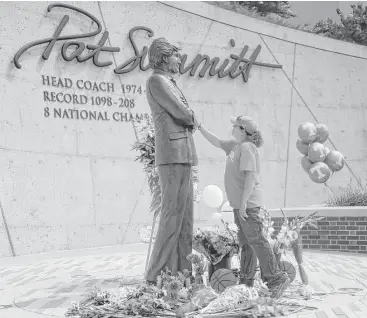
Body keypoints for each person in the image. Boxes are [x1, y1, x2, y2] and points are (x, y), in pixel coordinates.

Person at [196, 115, 291, 298]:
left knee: (256, 240)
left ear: (243, 131)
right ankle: (246, 281)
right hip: (240, 204)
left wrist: (244, 204)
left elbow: (250, 176)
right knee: (246, 242)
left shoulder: (248, 148)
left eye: (235, 127)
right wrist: (199, 126)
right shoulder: (235, 146)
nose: (232, 129)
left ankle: (276, 278)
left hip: (248, 204)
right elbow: (216, 141)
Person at [144, 37, 199, 284]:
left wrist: (191, 118)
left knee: (186, 220)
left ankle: (181, 274)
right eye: (176, 56)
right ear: (165, 57)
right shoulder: (157, 80)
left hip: (183, 154)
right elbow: (183, 113)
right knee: (172, 216)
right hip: (172, 155)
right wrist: (192, 117)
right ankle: (155, 276)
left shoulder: (169, 81)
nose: (179, 60)